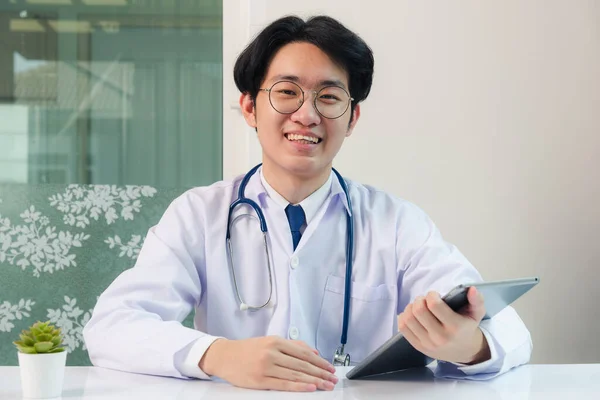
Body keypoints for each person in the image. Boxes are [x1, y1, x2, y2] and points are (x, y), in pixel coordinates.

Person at [83, 15, 532, 392]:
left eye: (330, 97)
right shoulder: (199, 214)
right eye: (286, 91)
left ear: (351, 118)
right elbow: (112, 327)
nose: (308, 113)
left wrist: (469, 346)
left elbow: (509, 329)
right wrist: (218, 355)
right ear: (249, 107)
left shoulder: (397, 224)